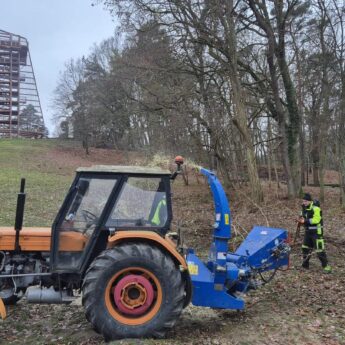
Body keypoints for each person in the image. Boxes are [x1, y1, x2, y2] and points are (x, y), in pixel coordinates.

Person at [298, 193, 332, 273]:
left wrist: (305, 221)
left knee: (319, 250)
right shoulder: (303, 208)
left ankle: (326, 267)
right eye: (303, 201)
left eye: (306, 201)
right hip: (308, 232)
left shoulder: (316, 208)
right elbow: (301, 217)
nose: (304, 202)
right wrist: (299, 221)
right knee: (305, 248)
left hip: (317, 233)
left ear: (310, 201)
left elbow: (316, 220)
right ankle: (305, 265)